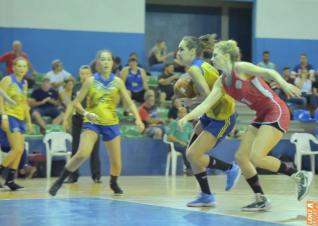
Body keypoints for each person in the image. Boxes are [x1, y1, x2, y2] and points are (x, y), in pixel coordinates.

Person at [178, 40, 313, 212]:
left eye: (215, 55)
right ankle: (261, 198)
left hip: (275, 110)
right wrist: (187, 117)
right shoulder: (222, 82)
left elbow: (268, 71)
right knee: (242, 157)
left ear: (226, 55)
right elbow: (205, 105)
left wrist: (284, 84)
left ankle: (298, 175)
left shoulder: (240, 68)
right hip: (261, 115)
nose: (212, 59)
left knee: (257, 156)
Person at [49, 49, 144, 196]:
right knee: (82, 153)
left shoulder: (118, 82)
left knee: (117, 163)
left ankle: (113, 182)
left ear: (112, 63)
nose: (106, 62)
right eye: (103, 59)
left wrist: (138, 118)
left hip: (111, 123)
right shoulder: (90, 81)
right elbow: (76, 103)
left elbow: (130, 102)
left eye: (108, 59)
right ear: (98, 63)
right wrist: (86, 113)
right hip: (92, 122)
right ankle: (59, 181)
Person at [175, 35, 240, 207]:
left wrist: (191, 102)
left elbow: (206, 95)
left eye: (182, 49)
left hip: (223, 116)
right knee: (192, 154)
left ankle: (230, 168)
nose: (178, 52)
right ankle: (206, 195)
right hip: (212, 114)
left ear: (193, 51)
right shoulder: (201, 65)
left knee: (192, 154)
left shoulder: (195, 70)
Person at [62, 65, 101, 183]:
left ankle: (96, 176)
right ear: (79, 75)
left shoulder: (96, 86)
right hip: (78, 119)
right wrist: (65, 119)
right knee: (75, 148)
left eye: (87, 73)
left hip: (92, 121)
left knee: (94, 150)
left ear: (91, 75)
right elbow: (72, 104)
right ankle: (73, 176)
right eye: (82, 73)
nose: (84, 76)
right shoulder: (76, 87)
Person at [0, 57, 32, 190]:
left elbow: (24, 103)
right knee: (17, 148)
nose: (21, 68)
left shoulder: (24, 83)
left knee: (19, 150)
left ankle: (10, 181)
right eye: (19, 66)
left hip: (20, 118)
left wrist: (29, 121)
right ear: (13, 67)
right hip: (9, 116)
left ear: (27, 69)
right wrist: (4, 116)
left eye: (24, 66)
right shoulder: (8, 79)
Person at [167, 107, 192, 175]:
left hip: (185, 144)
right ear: (178, 114)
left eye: (184, 112)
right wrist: (180, 142)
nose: (182, 114)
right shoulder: (174, 123)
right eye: (180, 112)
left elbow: (191, 137)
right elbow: (170, 137)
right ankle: (189, 169)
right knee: (185, 148)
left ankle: (197, 168)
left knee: (193, 148)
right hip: (174, 145)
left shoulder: (189, 125)